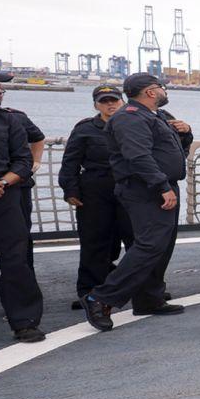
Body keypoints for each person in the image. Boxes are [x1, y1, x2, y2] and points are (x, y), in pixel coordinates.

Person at [83, 72, 189, 331]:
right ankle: (100, 297)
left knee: (162, 246)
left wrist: (186, 132)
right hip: (146, 190)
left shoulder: (156, 116)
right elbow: (138, 156)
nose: (165, 92)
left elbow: (169, 149)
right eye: (161, 88)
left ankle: (149, 298)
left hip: (160, 187)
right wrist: (162, 186)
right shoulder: (130, 117)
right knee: (149, 245)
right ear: (151, 91)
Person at [0, 60, 44, 343]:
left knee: (16, 260)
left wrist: (0, 184)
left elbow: (24, 160)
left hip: (5, 198)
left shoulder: (9, 119)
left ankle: (25, 321)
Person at [58, 84, 133, 310]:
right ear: (96, 105)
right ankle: (90, 291)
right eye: (104, 101)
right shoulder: (84, 129)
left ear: (122, 102)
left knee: (136, 240)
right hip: (96, 189)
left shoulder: (133, 124)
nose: (110, 104)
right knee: (94, 241)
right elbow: (70, 161)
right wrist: (70, 190)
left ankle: (145, 288)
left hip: (129, 187)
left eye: (114, 100)